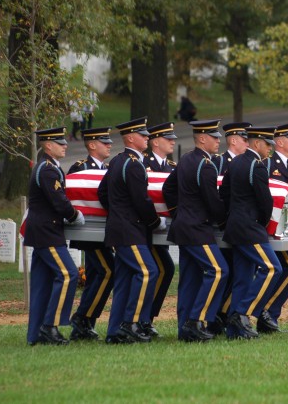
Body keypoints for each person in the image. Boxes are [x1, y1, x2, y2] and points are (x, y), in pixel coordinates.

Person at [97, 117, 167, 344]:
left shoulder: (118, 161)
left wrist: (117, 212)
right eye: (142, 135)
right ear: (129, 138)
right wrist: (154, 222)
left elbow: (102, 193)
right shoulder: (133, 164)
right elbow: (142, 200)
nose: (147, 137)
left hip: (121, 228)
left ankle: (114, 331)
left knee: (126, 279)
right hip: (131, 231)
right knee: (148, 272)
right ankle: (131, 323)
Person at [162, 119, 229, 342]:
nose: (219, 140)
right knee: (219, 271)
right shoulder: (206, 165)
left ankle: (185, 328)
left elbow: (168, 188)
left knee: (189, 279)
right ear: (202, 138)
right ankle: (196, 321)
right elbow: (213, 202)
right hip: (197, 230)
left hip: (184, 227)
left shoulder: (186, 160)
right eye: (214, 136)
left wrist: (178, 213)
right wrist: (224, 222)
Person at [219, 125, 282, 340]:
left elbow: (224, 193)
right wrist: (261, 223)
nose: (270, 149)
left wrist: (231, 216)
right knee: (272, 268)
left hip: (235, 226)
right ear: (257, 143)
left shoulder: (235, 162)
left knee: (243, 277)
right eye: (268, 144)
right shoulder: (257, 166)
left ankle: (234, 331)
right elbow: (265, 201)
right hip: (250, 228)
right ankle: (243, 314)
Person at [25, 127, 85, 346]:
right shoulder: (48, 169)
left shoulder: (46, 167)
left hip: (42, 232)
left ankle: (35, 335)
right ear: (48, 145)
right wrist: (74, 215)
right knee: (69, 274)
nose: (65, 145)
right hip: (47, 233)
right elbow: (59, 201)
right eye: (60, 143)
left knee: (41, 285)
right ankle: (50, 327)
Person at [67, 127, 115, 341]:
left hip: (102, 231)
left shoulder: (108, 168)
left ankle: (84, 326)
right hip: (86, 231)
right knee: (108, 271)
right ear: (92, 145)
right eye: (104, 142)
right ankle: (82, 317)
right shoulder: (80, 168)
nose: (110, 144)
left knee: (97, 274)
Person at [259, 122, 288, 333]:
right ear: (279, 142)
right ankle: (266, 312)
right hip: (271, 228)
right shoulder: (267, 165)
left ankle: (268, 313)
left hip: (287, 228)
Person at [207, 121, 251, 335]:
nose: (248, 142)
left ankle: (225, 314)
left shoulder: (249, 162)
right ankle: (215, 315)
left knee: (238, 273)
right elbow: (215, 195)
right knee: (225, 272)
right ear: (233, 140)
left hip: (239, 228)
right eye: (245, 139)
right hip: (221, 228)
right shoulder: (217, 162)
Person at [141, 122, 178, 336]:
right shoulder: (143, 164)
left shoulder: (172, 167)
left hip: (162, 229)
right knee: (162, 269)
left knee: (165, 269)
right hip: (147, 227)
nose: (173, 141)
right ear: (155, 142)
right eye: (168, 138)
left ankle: (148, 317)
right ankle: (143, 318)